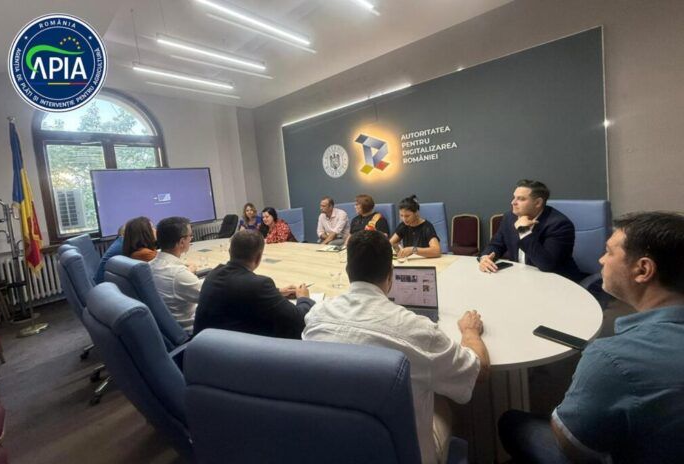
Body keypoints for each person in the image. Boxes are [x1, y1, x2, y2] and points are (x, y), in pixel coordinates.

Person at [498, 212, 684, 463]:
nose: (601, 260)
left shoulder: (611, 358)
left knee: (512, 422)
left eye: (609, 252)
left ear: (643, 269)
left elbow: (574, 446)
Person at [303, 230, 489, 464]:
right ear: (390, 275)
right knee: (440, 400)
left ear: (348, 271)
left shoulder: (316, 317)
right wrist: (470, 331)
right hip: (403, 455)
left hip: (337, 449)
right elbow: (479, 370)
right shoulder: (420, 332)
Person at [193, 229, 315, 338]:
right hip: (238, 353)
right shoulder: (260, 285)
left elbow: (238, 292)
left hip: (203, 349)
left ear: (230, 252)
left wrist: (278, 292)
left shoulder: (212, 275)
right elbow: (299, 320)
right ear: (259, 257)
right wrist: (304, 298)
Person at [478, 179, 582, 281]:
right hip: (521, 277)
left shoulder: (559, 224)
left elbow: (546, 265)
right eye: (514, 197)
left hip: (556, 281)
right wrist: (485, 258)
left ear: (538, 203)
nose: (513, 202)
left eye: (521, 199)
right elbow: (496, 245)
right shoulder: (509, 217)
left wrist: (524, 231)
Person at [149, 217, 201, 327]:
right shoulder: (178, 274)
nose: (191, 239)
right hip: (192, 330)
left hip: (167, 327)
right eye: (190, 236)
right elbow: (212, 298)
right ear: (182, 242)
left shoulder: (149, 266)